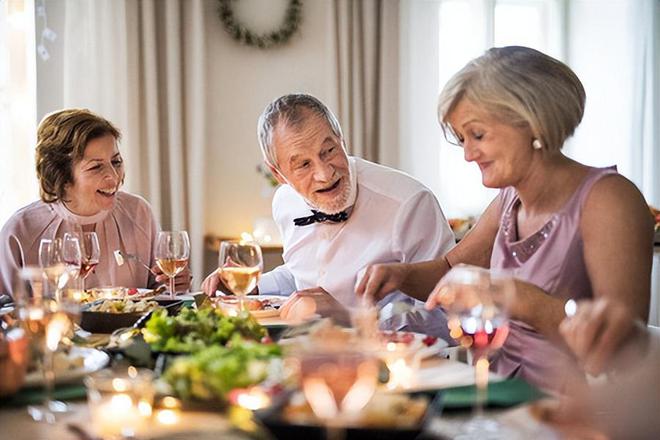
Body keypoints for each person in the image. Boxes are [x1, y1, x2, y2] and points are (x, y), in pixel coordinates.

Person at [357, 46, 654, 391]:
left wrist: (516, 296)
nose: (468, 154)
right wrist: (399, 274)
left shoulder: (607, 199)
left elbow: (624, 346)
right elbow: (449, 272)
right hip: (496, 397)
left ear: (532, 121)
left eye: (478, 135)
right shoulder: (508, 199)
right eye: (462, 139)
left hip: (570, 411)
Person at [203, 93, 455, 338]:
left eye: (328, 151)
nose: (325, 174)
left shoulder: (409, 202)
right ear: (278, 174)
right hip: (308, 353)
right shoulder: (284, 201)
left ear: (341, 140)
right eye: (303, 164)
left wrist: (351, 318)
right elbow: (304, 273)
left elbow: (450, 319)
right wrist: (253, 288)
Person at [0, 108, 191, 295]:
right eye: (96, 167)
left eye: (116, 162)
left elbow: (158, 294)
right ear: (62, 176)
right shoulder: (21, 231)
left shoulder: (138, 212)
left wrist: (173, 285)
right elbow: (6, 313)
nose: (113, 177)